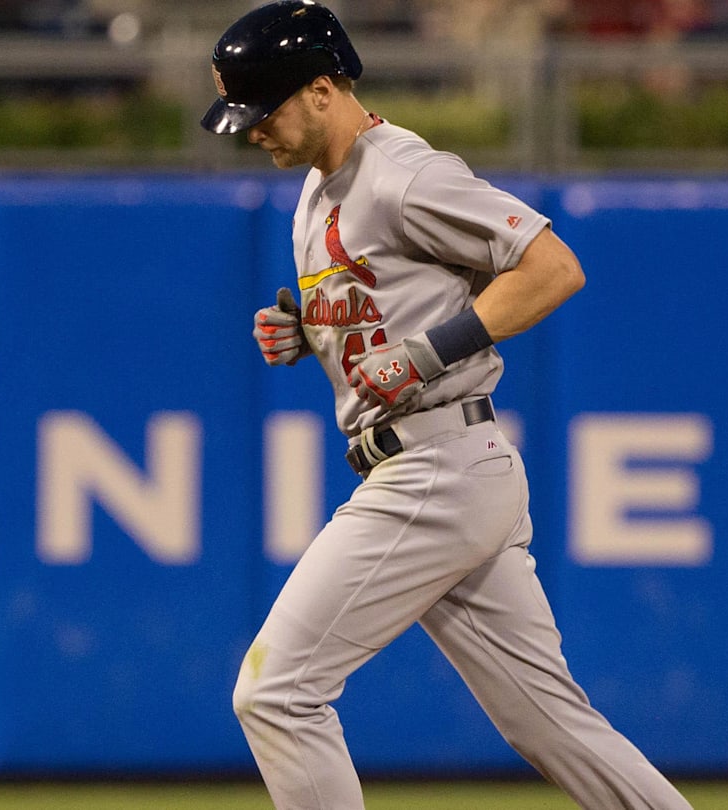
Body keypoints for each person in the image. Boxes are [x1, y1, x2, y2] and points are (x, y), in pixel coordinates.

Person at [201, 3, 694, 808]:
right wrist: (305, 328)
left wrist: (428, 352)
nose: (253, 131)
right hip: (449, 467)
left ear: (323, 89)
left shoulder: (404, 173)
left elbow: (552, 268)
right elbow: (386, 305)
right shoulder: (320, 190)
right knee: (551, 725)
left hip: (433, 465)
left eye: (266, 109)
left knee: (276, 692)